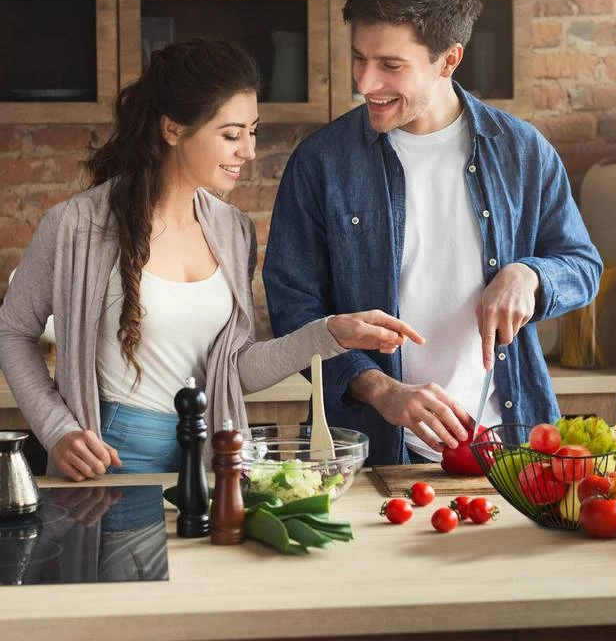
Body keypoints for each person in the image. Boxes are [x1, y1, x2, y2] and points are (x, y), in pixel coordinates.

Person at [0, 37, 422, 482]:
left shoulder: (233, 230)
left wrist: (330, 333)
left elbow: (233, 369)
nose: (249, 151)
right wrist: (57, 430)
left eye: (252, 131)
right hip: (112, 457)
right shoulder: (76, 225)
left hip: (211, 454)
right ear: (173, 129)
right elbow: (13, 331)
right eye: (231, 134)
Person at [263, 0, 603, 466]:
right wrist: (379, 388)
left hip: (510, 448)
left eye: (390, 65)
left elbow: (582, 266)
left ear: (448, 60)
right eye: (359, 58)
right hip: (373, 453)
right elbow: (294, 309)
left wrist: (529, 275)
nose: (365, 83)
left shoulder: (522, 152)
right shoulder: (322, 162)